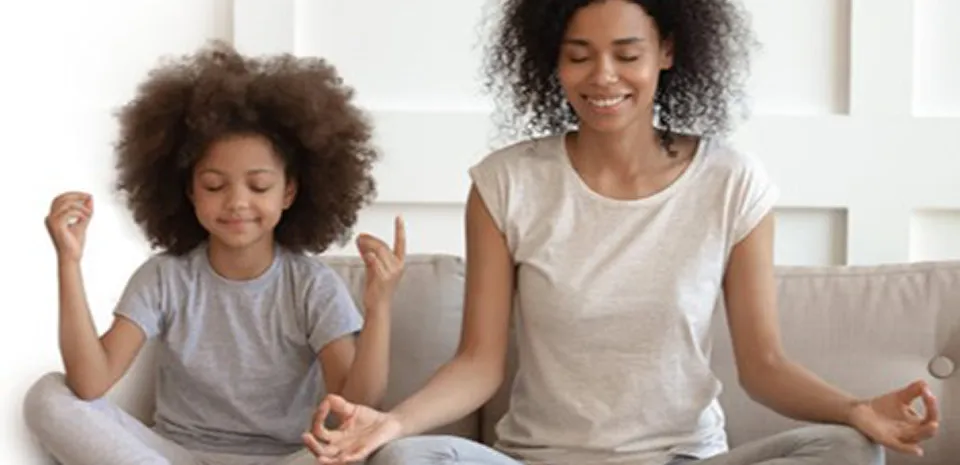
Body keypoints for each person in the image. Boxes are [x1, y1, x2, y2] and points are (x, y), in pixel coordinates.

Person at [301, 1, 941, 465]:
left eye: (627, 54)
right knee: (407, 460)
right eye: (579, 56)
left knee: (846, 449)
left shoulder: (731, 183)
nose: (602, 77)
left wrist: (855, 409)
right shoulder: (505, 183)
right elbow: (479, 363)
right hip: (538, 460)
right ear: (551, 59)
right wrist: (392, 422)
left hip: (683, 459)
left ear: (667, 51)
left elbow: (764, 365)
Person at [22, 41, 406, 465]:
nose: (237, 202)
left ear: (290, 191)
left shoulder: (312, 286)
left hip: (286, 459)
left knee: (358, 448)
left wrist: (379, 305)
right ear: (188, 191)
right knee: (46, 396)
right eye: (214, 186)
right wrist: (68, 261)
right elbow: (90, 383)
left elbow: (356, 404)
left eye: (258, 186)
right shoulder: (164, 277)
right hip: (173, 455)